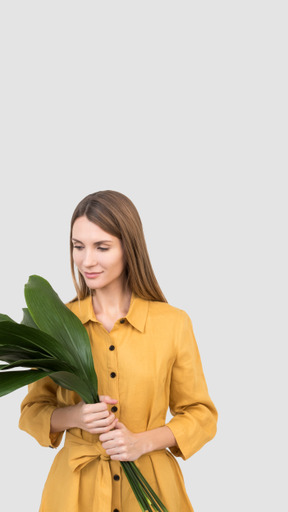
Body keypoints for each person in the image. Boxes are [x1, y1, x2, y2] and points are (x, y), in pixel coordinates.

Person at [19, 190, 218, 512]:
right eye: (78, 246)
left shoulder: (173, 323)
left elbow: (201, 414)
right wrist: (76, 416)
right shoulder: (55, 322)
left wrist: (142, 442)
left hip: (151, 485)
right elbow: (32, 411)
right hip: (73, 491)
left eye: (102, 247)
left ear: (130, 247)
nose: (87, 261)